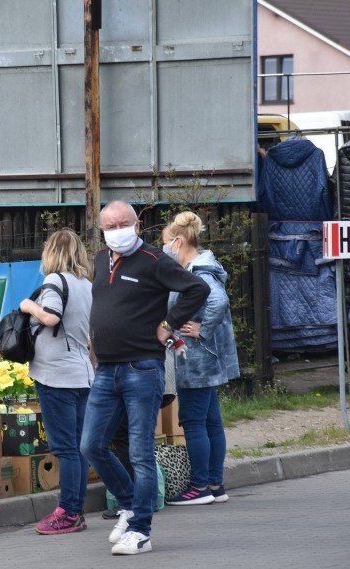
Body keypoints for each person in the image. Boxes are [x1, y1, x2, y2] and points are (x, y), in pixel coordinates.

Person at [80, 201, 210, 556]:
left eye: (123, 223)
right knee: (91, 445)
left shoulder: (154, 261)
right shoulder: (100, 259)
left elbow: (197, 289)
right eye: (110, 225)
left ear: (137, 225)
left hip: (142, 367)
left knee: (139, 452)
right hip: (106, 368)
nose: (116, 229)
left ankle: (140, 530)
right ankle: (128, 504)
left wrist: (168, 325)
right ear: (102, 230)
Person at [18, 229, 94, 535]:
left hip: (56, 375)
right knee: (78, 446)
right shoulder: (86, 285)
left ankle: (69, 511)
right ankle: (76, 509)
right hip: (81, 373)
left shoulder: (54, 282)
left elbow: (50, 317)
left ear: (52, 253)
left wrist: (28, 306)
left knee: (65, 448)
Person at [161, 212, 239, 506]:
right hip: (204, 355)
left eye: (168, 243)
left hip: (195, 357)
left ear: (179, 241)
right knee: (210, 421)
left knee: (193, 421)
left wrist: (202, 328)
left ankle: (200, 486)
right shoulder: (202, 265)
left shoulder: (199, 271)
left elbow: (218, 300)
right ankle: (215, 484)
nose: (166, 249)